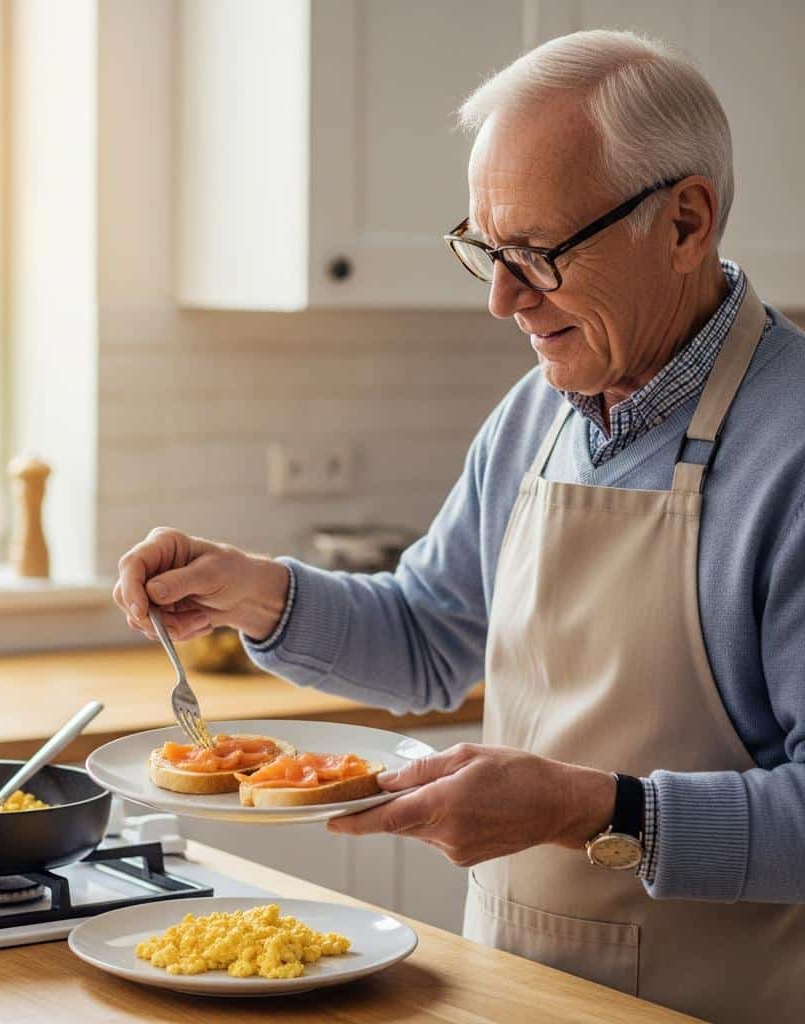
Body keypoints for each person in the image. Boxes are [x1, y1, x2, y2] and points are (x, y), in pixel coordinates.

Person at [114, 29, 805, 1022]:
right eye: (487, 247)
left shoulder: (788, 448)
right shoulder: (540, 412)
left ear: (685, 223)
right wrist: (252, 594)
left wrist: (588, 809)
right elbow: (430, 635)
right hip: (510, 991)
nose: (501, 299)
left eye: (537, 254)